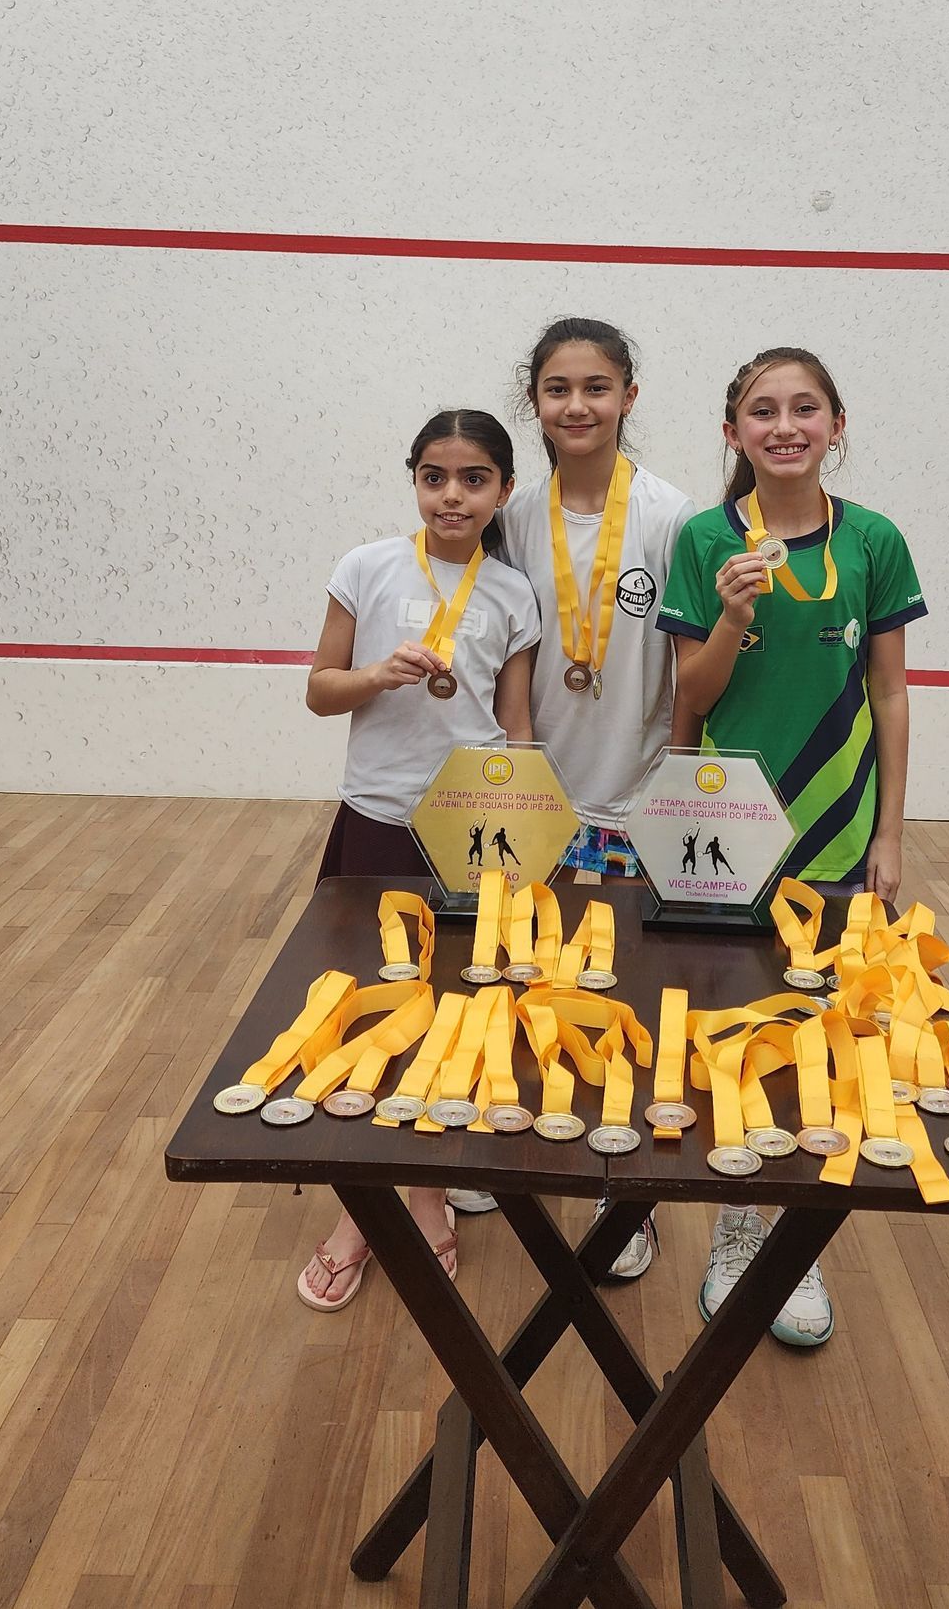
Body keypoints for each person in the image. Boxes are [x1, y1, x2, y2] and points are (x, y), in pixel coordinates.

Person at [659, 346, 927, 1349]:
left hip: (838, 832)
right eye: (760, 410)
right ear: (732, 432)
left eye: (802, 406)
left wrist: (890, 832)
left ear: (834, 422)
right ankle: (736, 1222)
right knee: (728, 1027)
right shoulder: (699, 539)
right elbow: (690, 694)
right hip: (727, 832)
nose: (782, 424)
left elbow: (890, 691)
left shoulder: (873, 540)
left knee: (817, 1033)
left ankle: (788, 1243)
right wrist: (730, 612)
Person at [296, 410, 539, 1311]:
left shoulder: (513, 594)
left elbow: (516, 729)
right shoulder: (366, 567)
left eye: (474, 479)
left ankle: (427, 1196)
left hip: (471, 832)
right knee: (366, 1011)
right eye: (435, 476)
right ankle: (364, 1211)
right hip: (376, 822)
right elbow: (320, 692)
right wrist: (375, 677)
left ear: (503, 491)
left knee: (452, 1012)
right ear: (414, 481)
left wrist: (523, 830)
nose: (453, 495)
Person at [501, 316, 696, 1280]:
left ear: (628, 396)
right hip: (539, 802)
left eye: (596, 387)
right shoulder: (511, 513)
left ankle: (625, 1196)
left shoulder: (670, 515)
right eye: (556, 389)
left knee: (624, 1005)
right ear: (533, 402)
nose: (576, 405)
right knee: (533, 983)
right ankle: (521, 1151)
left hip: (635, 800)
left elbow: (690, 666)